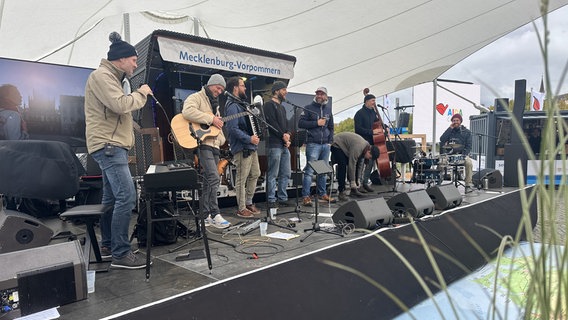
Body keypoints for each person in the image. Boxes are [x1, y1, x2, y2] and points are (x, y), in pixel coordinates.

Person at [84, 32, 152, 269]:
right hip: (109, 146)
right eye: (134, 60)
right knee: (127, 196)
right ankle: (121, 253)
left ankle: (109, 244)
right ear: (121, 59)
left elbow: (116, 110)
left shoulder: (111, 77)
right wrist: (142, 93)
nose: (136, 64)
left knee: (111, 198)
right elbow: (120, 104)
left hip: (111, 145)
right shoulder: (102, 76)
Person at [182, 74, 231, 229]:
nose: (219, 91)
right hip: (202, 144)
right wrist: (211, 120)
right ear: (211, 84)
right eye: (218, 87)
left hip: (214, 145)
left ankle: (205, 215)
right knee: (213, 176)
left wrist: (220, 136)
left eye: (222, 90)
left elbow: (216, 128)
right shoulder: (196, 97)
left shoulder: (215, 106)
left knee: (208, 182)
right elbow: (187, 112)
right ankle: (215, 213)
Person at [224, 76, 261, 218]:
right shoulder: (232, 106)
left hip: (250, 147)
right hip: (242, 147)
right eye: (242, 85)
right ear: (235, 88)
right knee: (242, 178)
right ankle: (241, 208)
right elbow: (232, 128)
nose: (245, 88)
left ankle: (249, 202)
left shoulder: (240, 104)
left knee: (255, 174)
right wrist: (249, 138)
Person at [298, 87, 335, 206]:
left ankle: (322, 193)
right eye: (317, 93)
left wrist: (329, 141)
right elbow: (301, 123)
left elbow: (331, 127)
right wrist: (316, 123)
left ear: (326, 96)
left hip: (325, 145)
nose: (319, 95)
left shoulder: (328, 109)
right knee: (309, 171)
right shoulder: (308, 108)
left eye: (322, 94)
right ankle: (306, 196)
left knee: (323, 171)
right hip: (313, 144)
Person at [263, 81, 292, 208]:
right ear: (276, 91)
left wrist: (288, 135)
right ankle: (271, 199)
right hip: (274, 144)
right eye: (284, 89)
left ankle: (282, 197)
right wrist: (283, 136)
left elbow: (286, 124)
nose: (286, 92)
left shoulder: (283, 107)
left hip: (284, 144)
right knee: (273, 174)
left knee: (285, 173)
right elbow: (272, 124)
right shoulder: (268, 105)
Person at [331, 132, 380, 201]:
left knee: (353, 165)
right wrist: (353, 182)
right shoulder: (359, 147)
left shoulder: (365, 148)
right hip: (337, 144)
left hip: (346, 147)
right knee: (343, 165)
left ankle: (354, 191)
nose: (369, 159)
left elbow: (359, 165)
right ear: (369, 151)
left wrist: (358, 181)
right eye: (370, 157)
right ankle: (341, 191)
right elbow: (352, 164)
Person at [354, 94, 384, 193]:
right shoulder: (359, 114)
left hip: (372, 142)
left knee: (370, 164)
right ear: (366, 101)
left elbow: (378, 123)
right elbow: (358, 129)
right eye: (372, 101)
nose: (374, 103)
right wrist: (371, 132)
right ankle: (358, 185)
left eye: (374, 101)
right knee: (360, 164)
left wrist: (385, 126)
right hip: (362, 143)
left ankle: (365, 182)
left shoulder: (373, 113)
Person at [440, 113, 473, 192]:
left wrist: (463, 155)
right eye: (454, 120)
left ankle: (468, 185)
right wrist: (450, 128)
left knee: (469, 163)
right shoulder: (450, 131)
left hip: (462, 154)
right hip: (450, 155)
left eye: (457, 120)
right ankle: (439, 182)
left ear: (460, 121)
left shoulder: (466, 132)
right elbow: (442, 139)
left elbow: (469, 146)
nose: (455, 122)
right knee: (440, 162)